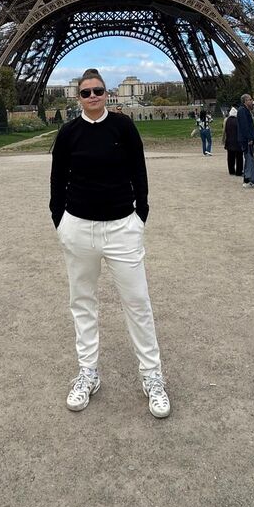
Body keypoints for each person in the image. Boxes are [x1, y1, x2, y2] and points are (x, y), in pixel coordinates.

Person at [49, 68, 170, 419]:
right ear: (78, 97)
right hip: (78, 228)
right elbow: (57, 181)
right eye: (86, 92)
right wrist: (61, 222)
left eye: (98, 91)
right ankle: (88, 372)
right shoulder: (68, 133)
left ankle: (152, 376)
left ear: (107, 92)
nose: (92, 96)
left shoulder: (123, 127)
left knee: (138, 303)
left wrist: (140, 215)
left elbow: (139, 171)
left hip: (121, 228)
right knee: (82, 303)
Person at [237, 93, 254, 188]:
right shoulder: (242, 111)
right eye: (250, 99)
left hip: (247, 138)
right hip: (246, 139)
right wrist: (249, 138)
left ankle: (249, 179)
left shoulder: (245, 110)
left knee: (249, 158)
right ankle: (249, 179)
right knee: (249, 159)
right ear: (245, 101)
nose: (251, 101)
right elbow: (244, 126)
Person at [222, 106, 243, 176]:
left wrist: (223, 140)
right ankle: (239, 171)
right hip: (238, 141)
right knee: (239, 157)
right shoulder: (238, 120)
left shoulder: (226, 120)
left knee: (230, 157)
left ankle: (231, 170)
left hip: (229, 141)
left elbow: (224, 131)